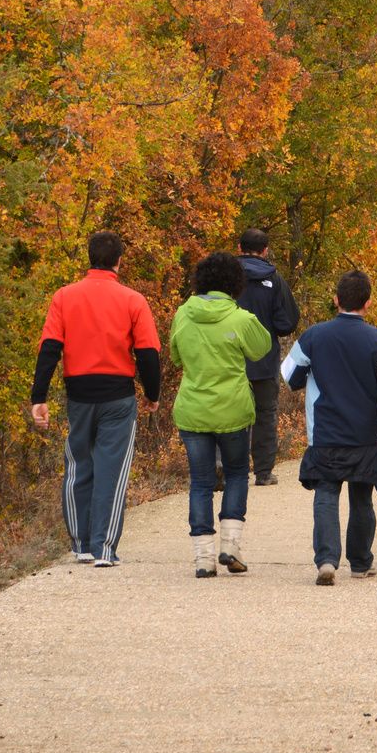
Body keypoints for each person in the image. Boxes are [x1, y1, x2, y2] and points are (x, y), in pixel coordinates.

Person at [30, 231, 161, 568]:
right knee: (112, 472)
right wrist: (152, 394)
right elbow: (147, 353)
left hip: (79, 395)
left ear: (89, 257)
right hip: (118, 395)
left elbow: (49, 349)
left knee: (78, 466)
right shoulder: (133, 300)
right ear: (119, 261)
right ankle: (104, 548)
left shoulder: (64, 296)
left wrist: (39, 397)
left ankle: (81, 544)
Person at [281, 270, 377, 586]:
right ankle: (360, 561)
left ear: (336, 300)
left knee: (325, 493)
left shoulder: (313, 336)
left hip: (325, 433)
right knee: (362, 497)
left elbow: (289, 376)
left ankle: (327, 560)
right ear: (368, 303)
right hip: (365, 437)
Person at [168, 252, 273, 578]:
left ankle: (203, 559)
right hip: (233, 411)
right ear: (235, 284)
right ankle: (230, 545)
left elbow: (174, 357)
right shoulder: (239, 318)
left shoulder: (183, 315)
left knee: (200, 482)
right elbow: (262, 347)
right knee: (238, 473)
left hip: (193, 409)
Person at [236, 229, 300, 486]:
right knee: (265, 413)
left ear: (239, 247)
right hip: (264, 359)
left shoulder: (226, 277)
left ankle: (232, 470)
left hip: (231, 359)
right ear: (265, 250)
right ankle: (263, 472)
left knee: (230, 414)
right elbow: (288, 321)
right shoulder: (275, 279)